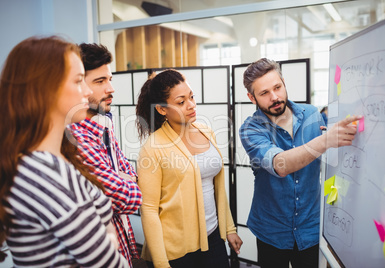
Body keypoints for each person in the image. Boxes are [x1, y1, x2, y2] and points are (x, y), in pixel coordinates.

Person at [0, 36, 128, 267]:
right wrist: (108, 235)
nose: (87, 92)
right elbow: (107, 262)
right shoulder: (46, 173)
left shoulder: (54, 158)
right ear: (46, 90)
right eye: (79, 81)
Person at [239, 58, 361, 268]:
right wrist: (325, 140)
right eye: (264, 93)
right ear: (252, 97)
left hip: (311, 227)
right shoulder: (251, 129)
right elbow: (281, 164)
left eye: (277, 87)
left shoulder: (313, 115)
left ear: (284, 83)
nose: (275, 97)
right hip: (271, 230)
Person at [136, 69, 243, 268]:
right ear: (161, 109)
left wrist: (229, 228)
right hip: (175, 250)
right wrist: (161, 263)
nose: (191, 105)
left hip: (213, 237)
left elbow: (217, 186)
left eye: (191, 97)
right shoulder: (152, 147)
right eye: (181, 102)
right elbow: (149, 209)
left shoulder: (207, 132)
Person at [68, 43, 143, 267]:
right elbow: (127, 197)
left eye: (109, 79)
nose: (110, 88)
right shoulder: (74, 138)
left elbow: (128, 174)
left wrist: (123, 177)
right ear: (78, 86)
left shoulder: (103, 124)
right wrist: (123, 179)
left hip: (122, 245)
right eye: (100, 81)